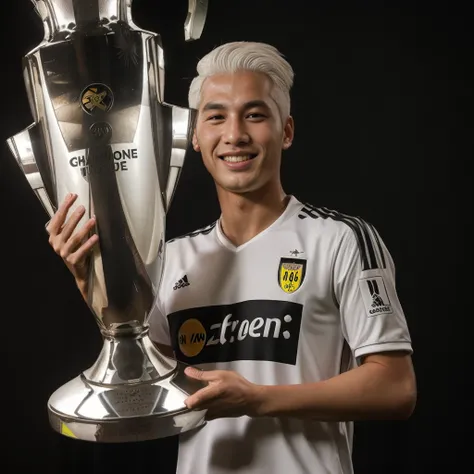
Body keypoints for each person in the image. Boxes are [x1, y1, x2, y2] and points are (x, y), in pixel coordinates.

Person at [47, 41, 416, 474]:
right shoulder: (168, 259)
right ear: (196, 138)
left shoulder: (341, 239)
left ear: (287, 131)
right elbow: (143, 389)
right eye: (216, 116)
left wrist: (258, 399)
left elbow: (395, 388)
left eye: (255, 115)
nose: (235, 134)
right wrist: (96, 282)